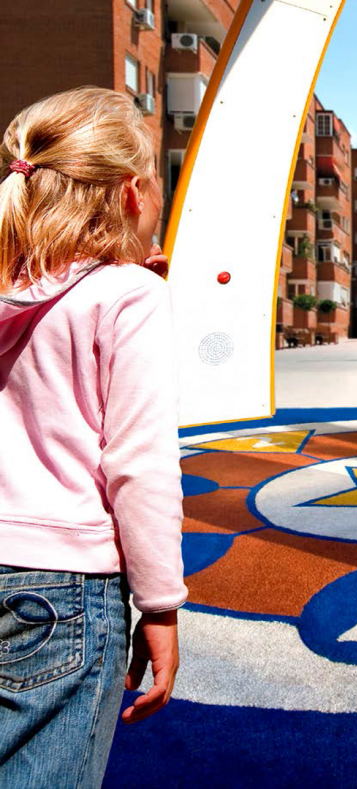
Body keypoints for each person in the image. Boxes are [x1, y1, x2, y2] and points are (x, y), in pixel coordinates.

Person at [0, 88, 186, 787]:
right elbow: (139, 462)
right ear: (132, 192)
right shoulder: (131, 295)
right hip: (61, 586)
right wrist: (160, 603)